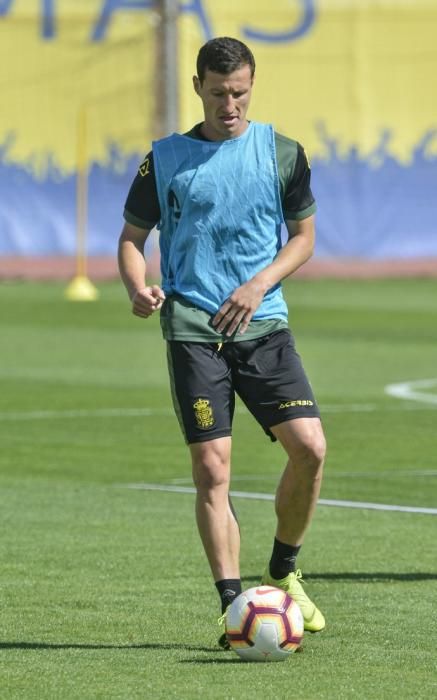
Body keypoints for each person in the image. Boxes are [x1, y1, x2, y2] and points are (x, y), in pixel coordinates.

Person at [118, 36, 326, 648]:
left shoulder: (282, 152)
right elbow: (132, 238)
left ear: (252, 85)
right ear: (198, 88)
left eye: (238, 93)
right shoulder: (166, 158)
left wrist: (259, 284)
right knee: (212, 468)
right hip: (193, 329)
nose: (228, 104)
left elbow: (304, 238)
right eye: (217, 93)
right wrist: (137, 286)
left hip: (264, 326)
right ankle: (234, 605)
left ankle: (283, 573)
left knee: (310, 448)